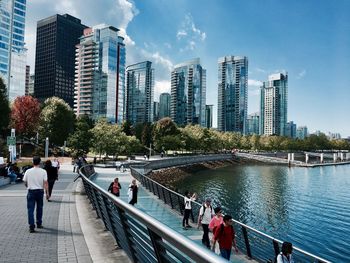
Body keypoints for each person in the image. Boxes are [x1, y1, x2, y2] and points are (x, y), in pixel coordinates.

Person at [23, 156, 48, 233]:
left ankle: (31, 226)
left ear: (32, 162)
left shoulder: (28, 171)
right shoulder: (43, 171)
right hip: (40, 191)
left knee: (30, 209)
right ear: (40, 162)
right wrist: (47, 193)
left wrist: (28, 186)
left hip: (31, 191)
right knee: (39, 208)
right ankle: (39, 223)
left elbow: (24, 181)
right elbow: (45, 183)